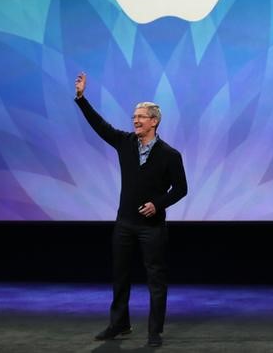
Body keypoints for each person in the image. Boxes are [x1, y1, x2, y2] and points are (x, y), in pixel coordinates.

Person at [74, 72, 187, 348]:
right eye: (134, 116)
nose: (135, 120)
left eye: (141, 117)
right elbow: (100, 126)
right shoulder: (125, 143)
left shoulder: (170, 155)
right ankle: (119, 324)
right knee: (120, 276)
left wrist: (158, 204)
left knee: (155, 280)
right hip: (124, 223)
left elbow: (181, 189)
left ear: (154, 121)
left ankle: (154, 332)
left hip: (152, 228)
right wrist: (81, 99)